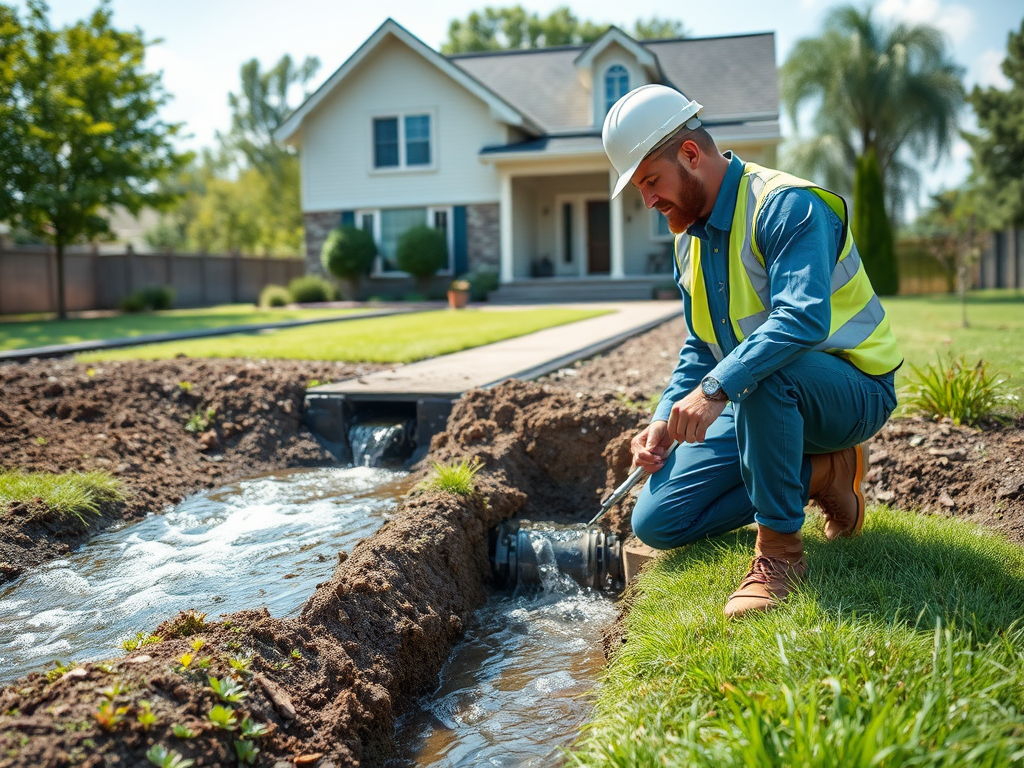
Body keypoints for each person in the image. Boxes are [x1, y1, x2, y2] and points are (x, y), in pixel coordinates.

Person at [602, 84, 902, 618]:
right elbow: (702, 344)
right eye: (640, 188)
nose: (647, 200)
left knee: (761, 375)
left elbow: (800, 318)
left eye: (651, 180)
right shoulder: (687, 239)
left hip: (852, 391)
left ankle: (780, 556)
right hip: (762, 396)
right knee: (658, 520)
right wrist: (663, 421)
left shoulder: (786, 205)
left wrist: (718, 387)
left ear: (690, 155)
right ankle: (825, 474)